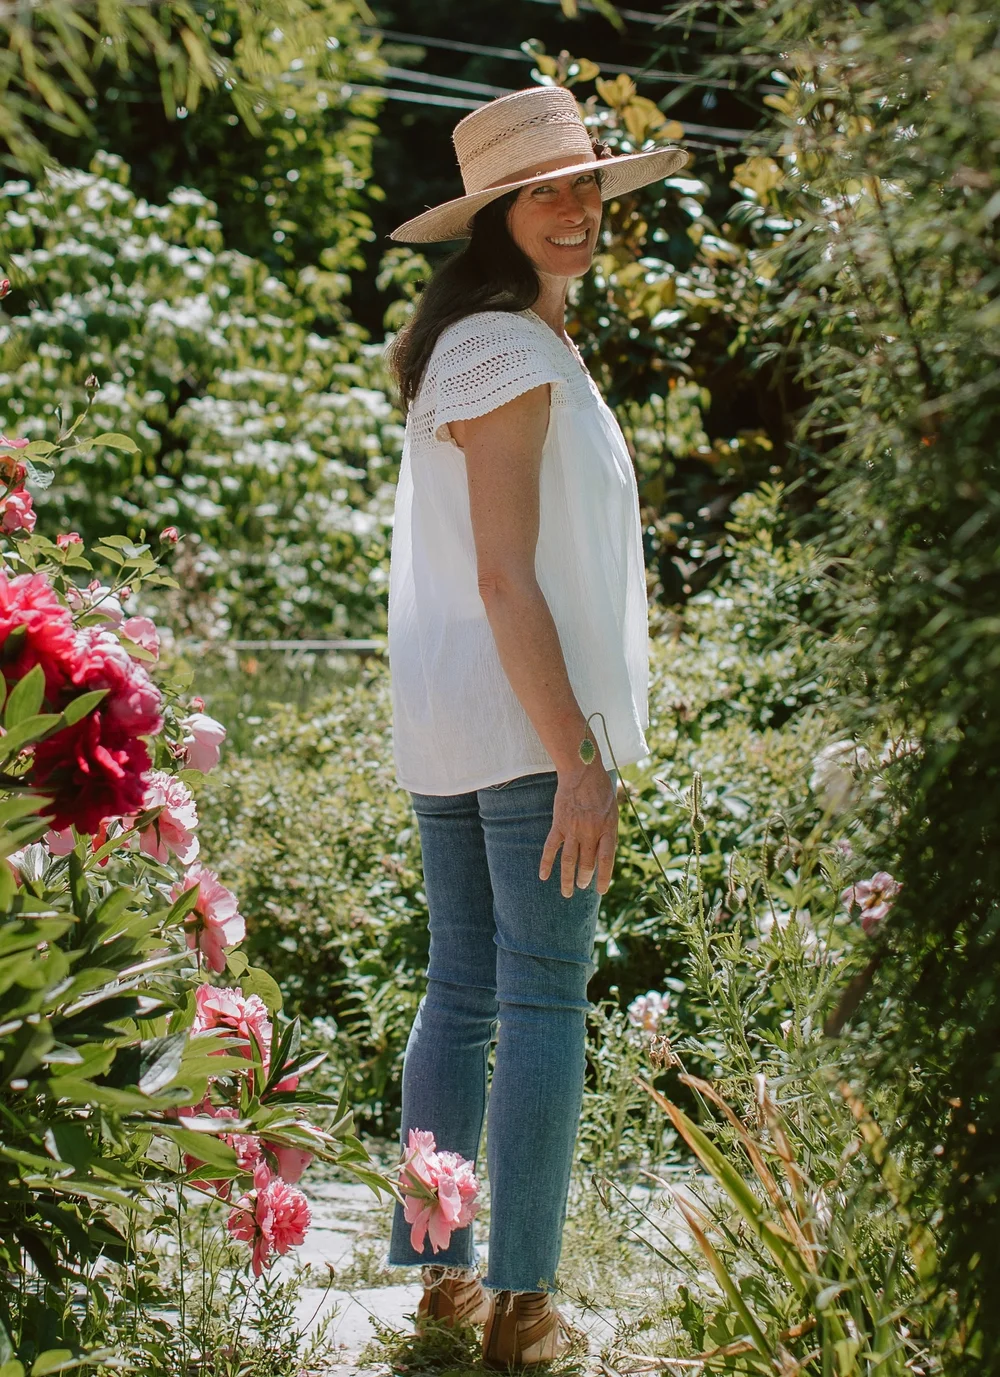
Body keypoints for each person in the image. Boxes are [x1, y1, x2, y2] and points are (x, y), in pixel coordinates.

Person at [384, 84, 687, 1368]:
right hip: (527, 722)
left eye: (583, 185)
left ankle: (442, 1283)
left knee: (459, 990)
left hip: (454, 716)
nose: (573, 208)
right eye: (541, 192)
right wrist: (579, 756)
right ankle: (521, 1305)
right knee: (543, 997)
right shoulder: (507, 349)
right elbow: (508, 578)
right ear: (494, 217)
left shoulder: (484, 344)